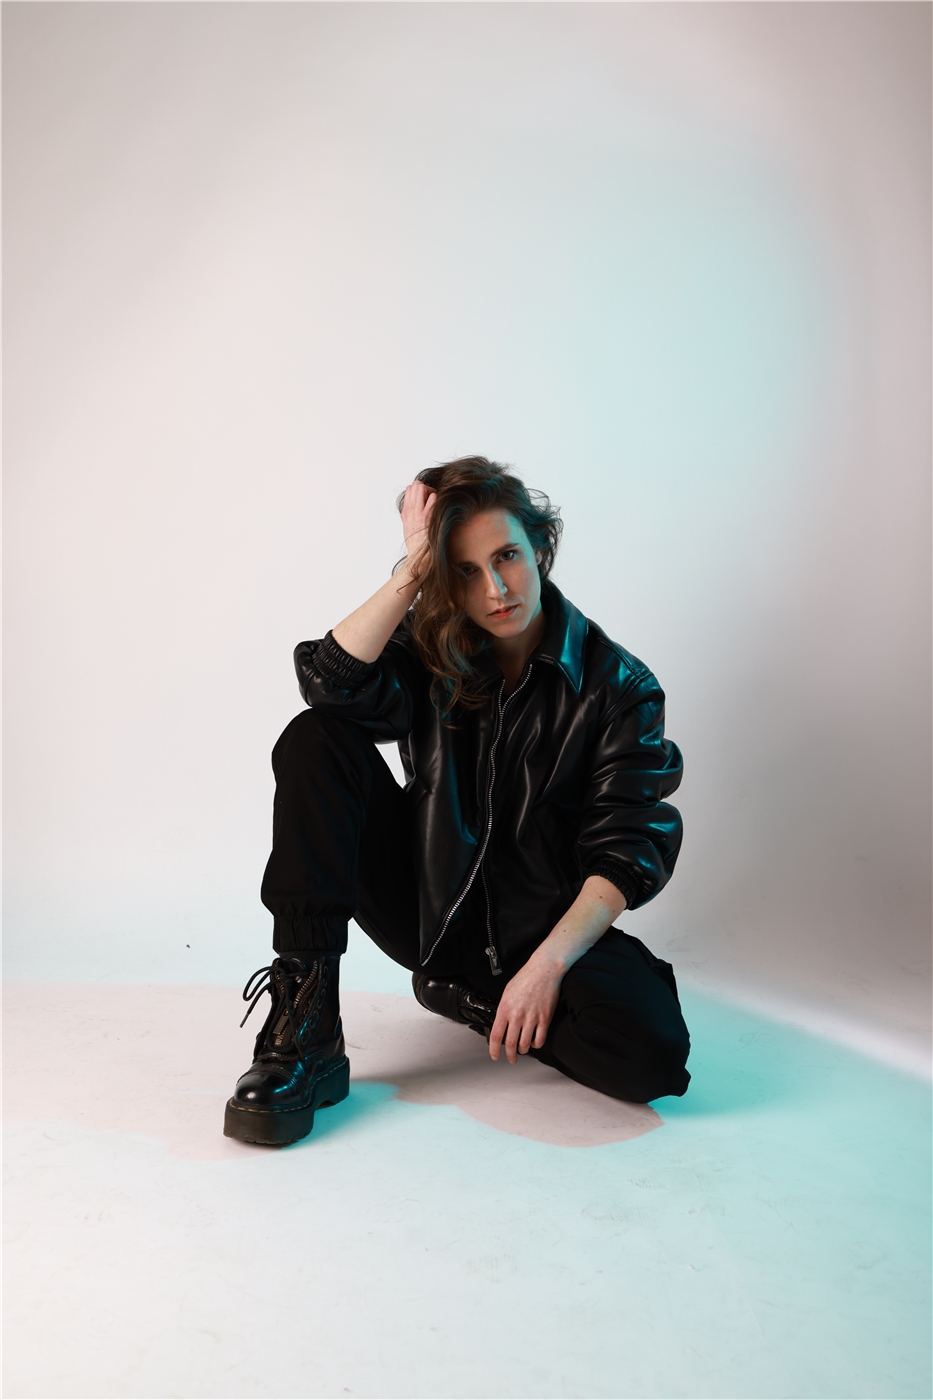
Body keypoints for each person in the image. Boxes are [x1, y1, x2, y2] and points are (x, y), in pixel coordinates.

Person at [224, 457, 690, 1146]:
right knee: (316, 737)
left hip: (539, 928)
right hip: (427, 909)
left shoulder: (618, 686)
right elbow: (331, 682)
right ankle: (306, 1032)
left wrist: (546, 969)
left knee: (652, 1053)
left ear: (540, 546)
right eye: (465, 571)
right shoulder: (432, 650)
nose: (494, 589)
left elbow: (626, 849)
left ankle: (470, 998)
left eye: (507, 557)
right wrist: (414, 569)